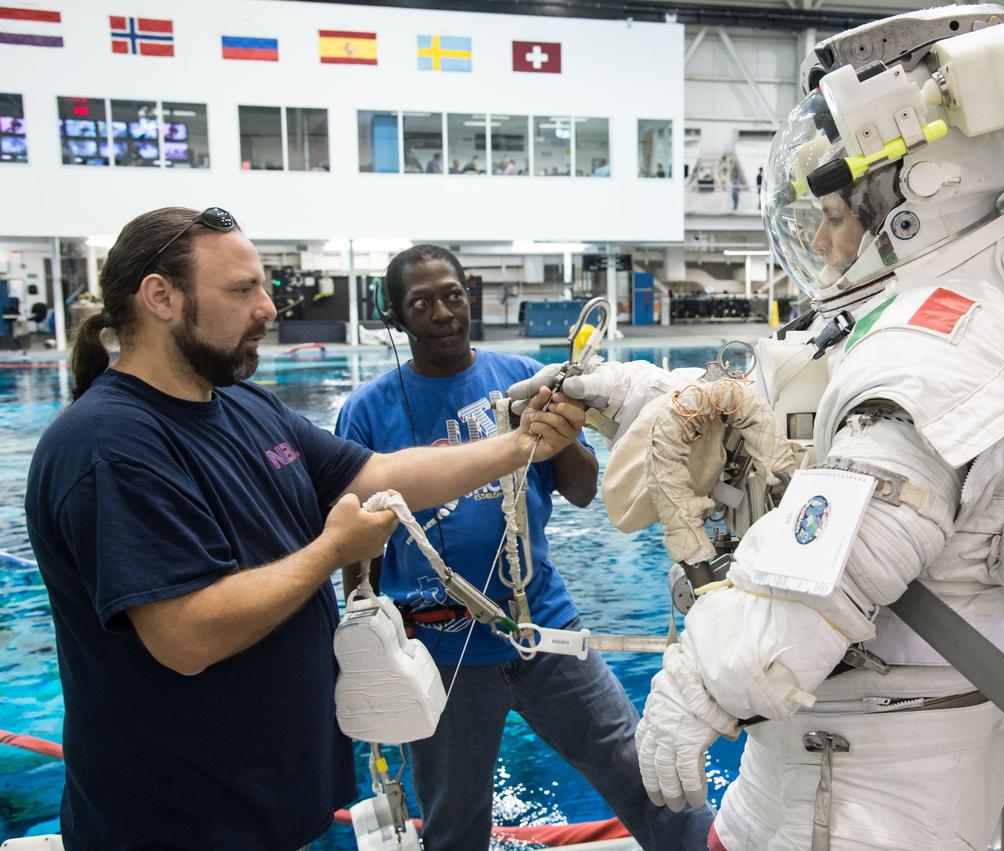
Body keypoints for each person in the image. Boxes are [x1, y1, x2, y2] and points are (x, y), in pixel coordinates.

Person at [511, 11, 1004, 849]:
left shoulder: (947, 347)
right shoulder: (922, 320)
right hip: (829, 735)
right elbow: (778, 433)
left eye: (837, 216)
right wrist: (628, 393)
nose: (821, 240)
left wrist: (696, 685)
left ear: (919, 202)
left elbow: (835, 556)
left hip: (882, 769)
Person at [23, 207, 585, 851]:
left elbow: (376, 473)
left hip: (269, 800)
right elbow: (186, 635)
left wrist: (521, 446)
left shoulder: (242, 404)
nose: (267, 308)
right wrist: (333, 551)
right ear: (161, 297)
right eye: (242, 290)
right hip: (179, 819)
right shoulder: (112, 445)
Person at [335, 245, 714, 851]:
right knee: (453, 823)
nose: (442, 312)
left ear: (469, 297)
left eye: (452, 295)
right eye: (422, 303)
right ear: (396, 317)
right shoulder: (366, 412)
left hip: (542, 627)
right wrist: (367, 636)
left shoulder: (522, 379)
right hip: (440, 648)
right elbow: (357, 543)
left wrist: (561, 431)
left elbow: (583, 491)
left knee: (645, 775)